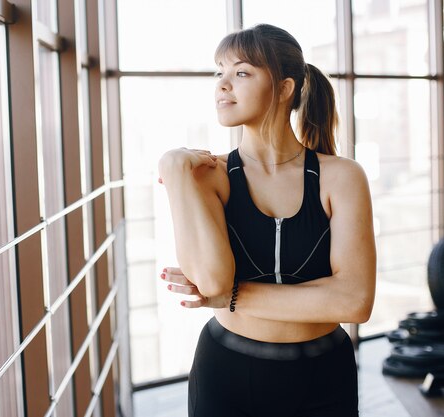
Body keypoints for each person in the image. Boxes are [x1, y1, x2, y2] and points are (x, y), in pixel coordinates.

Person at [157, 23, 376, 417]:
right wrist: (172, 167)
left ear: (285, 87)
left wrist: (233, 297)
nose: (223, 85)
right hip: (228, 374)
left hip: (324, 376)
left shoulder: (341, 176)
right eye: (218, 72)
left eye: (240, 73)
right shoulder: (206, 175)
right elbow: (210, 283)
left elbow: (355, 301)